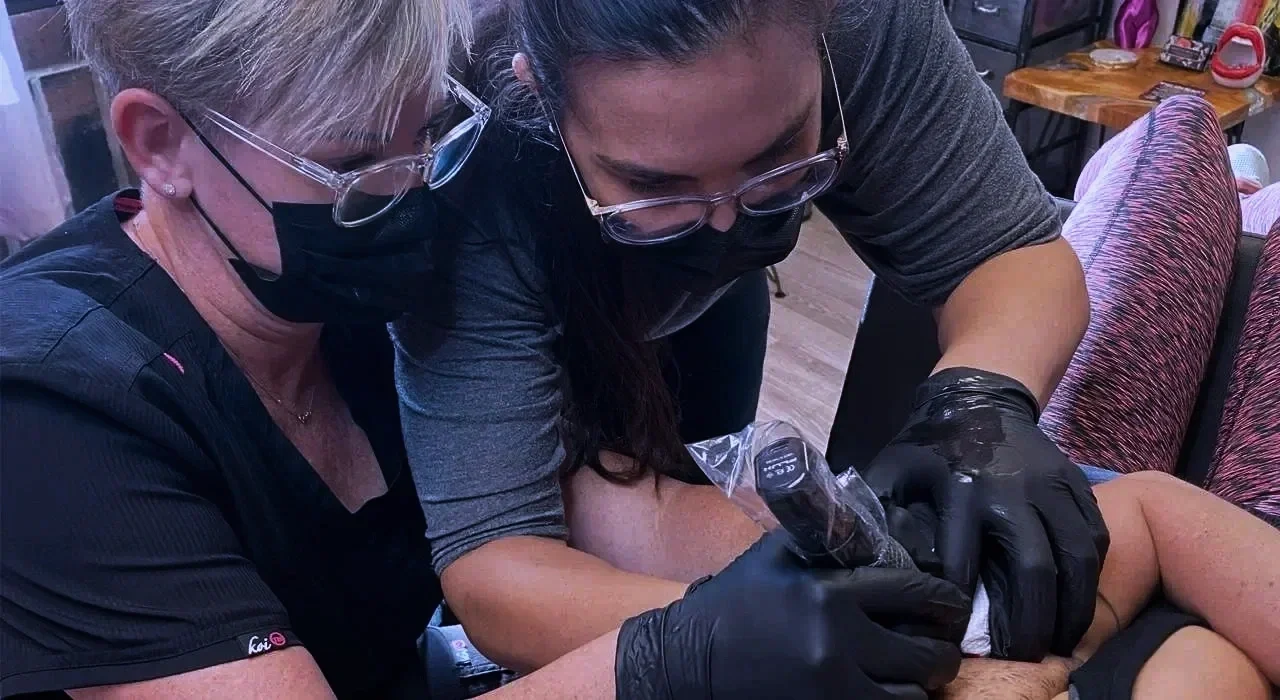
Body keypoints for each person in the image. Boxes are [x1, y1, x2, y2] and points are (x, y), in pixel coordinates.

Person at [0, 1, 974, 698]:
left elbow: (608, 501)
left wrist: (841, 588)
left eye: (431, 133)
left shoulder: (368, 300)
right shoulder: (52, 416)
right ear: (159, 143)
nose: (417, 191)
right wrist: (675, 650)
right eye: (354, 165)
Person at [393, 0, 1104, 672]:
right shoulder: (461, 144)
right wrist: (725, 639)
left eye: (776, 163)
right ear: (539, 92)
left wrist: (981, 396)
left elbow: (1010, 255)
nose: (727, 223)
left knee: (717, 504)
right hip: (516, 306)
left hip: (712, 316)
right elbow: (497, 564)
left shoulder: (864, 22)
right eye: (656, 187)